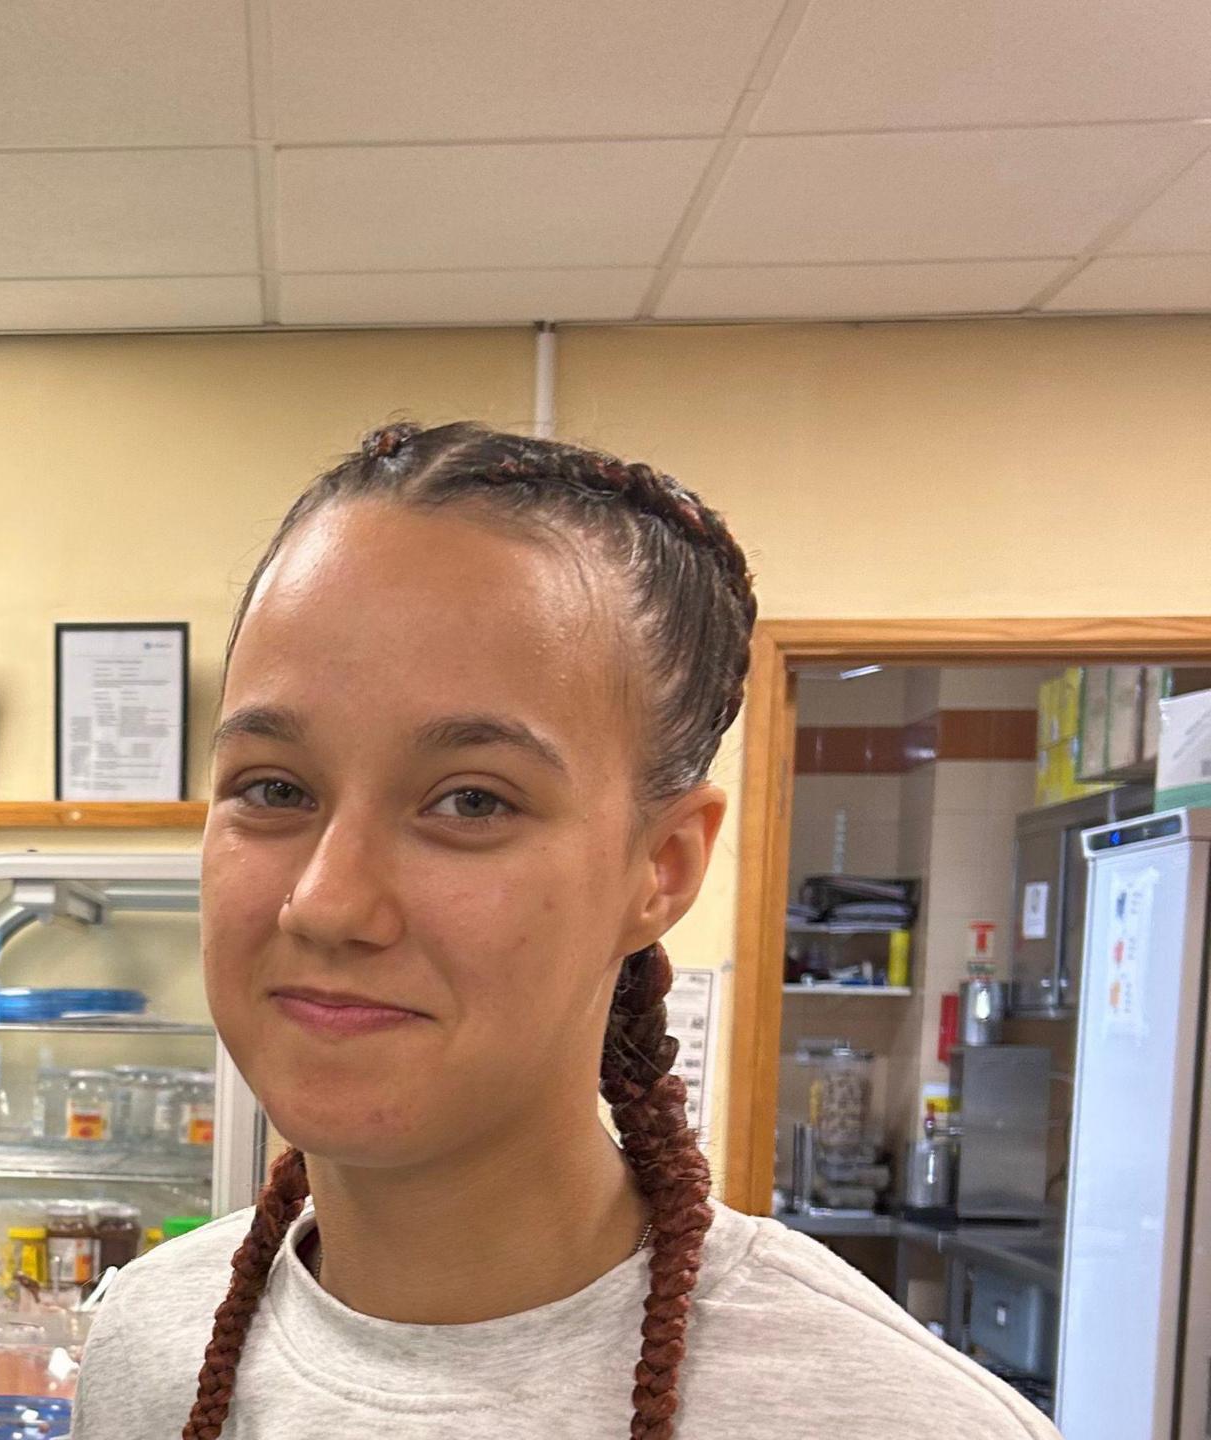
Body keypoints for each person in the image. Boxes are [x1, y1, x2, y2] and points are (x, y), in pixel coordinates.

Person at [72, 423, 1059, 1438]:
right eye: (274, 787)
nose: (326, 902)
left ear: (660, 867)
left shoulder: (883, 1419)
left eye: (470, 803)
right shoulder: (151, 1340)